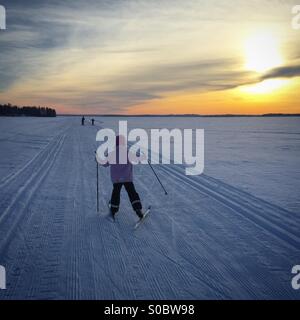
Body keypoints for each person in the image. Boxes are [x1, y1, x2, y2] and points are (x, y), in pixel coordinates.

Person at [97, 135, 144, 220]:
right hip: (127, 178)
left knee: (116, 193)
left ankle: (114, 210)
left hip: (117, 179)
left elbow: (104, 164)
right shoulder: (128, 152)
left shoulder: (112, 153)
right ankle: (138, 210)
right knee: (132, 193)